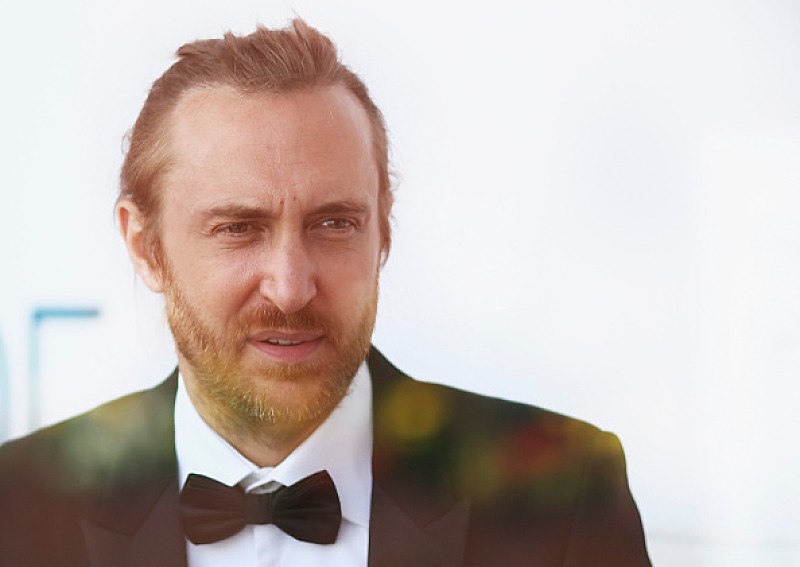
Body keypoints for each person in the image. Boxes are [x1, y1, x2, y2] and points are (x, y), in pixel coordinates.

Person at [0, 19, 651, 566]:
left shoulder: (566, 493)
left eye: (335, 224)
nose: (290, 288)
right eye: (238, 228)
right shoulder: (17, 505)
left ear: (383, 231)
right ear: (146, 247)